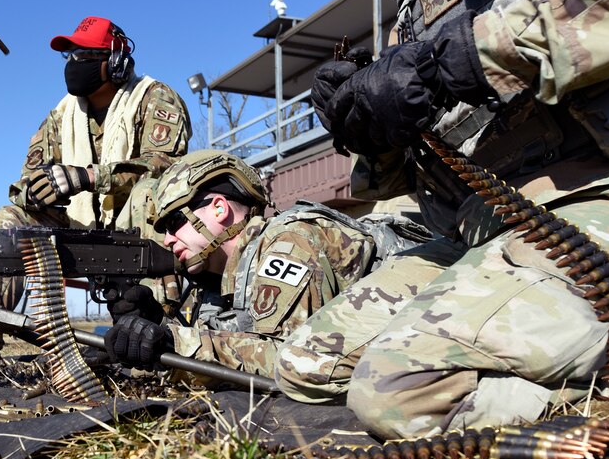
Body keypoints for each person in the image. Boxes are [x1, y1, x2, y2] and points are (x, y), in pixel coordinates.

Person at [276, 0, 609, 438]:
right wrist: (369, 127)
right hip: (496, 223)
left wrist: (466, 57)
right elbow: (414, 175)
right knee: (307, 365)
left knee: (400, 393)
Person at [103, 150, 430, 381]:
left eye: (174, 222)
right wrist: (155, 329)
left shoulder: (289, 241)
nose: (169, 239)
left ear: (219, 209)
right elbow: (232, 341)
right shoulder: (221, 279)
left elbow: (287, 360)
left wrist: (172, 343)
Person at [0, 16, 192, 361]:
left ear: (117, 63)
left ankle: (161, 334)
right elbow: (24, 180)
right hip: (78, 229)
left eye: (86, 57)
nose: (74, 65)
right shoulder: (63, 115)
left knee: (150, 190)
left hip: (137, 226)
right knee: (9, 219)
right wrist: (35, 192)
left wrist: (88, 177)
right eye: (70, 56)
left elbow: (165, 169)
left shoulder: (155, 98)